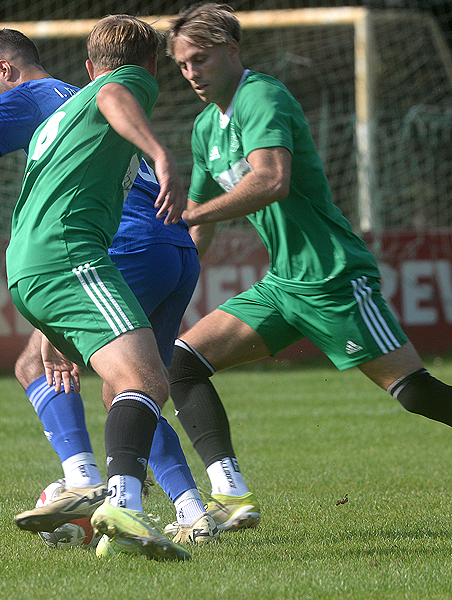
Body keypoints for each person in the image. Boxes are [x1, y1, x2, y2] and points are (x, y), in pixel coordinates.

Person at [0, 29, 216, 546]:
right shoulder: (83, 100)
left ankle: (87, 484)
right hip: (173, 246)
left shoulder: (39, 96)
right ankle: (191, 512)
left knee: (46, 367)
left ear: (6, 70)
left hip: (109, 247)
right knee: (129, 386)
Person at [165, 2, 452, 532]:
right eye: (182, 65)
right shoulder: (205, 128)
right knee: (181, 363)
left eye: (200, 59)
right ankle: (231, 495)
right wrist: (164, 287)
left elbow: (271, 179)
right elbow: (197, 228)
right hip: (283, 285)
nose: (191, 73)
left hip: (333, 276)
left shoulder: (261, 96)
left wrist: (193, 214)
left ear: (232, 49)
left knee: (414, 392)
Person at [6, 14, 202, 561]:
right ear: (155, 65)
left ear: (89, 66)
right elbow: (117, 93)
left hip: (67, 257)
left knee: (130, 381)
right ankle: (146, 503)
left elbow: (111, 93)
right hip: (135, 250)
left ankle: (102, 493)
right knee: (141, 382)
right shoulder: (115, 92)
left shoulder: (66, 109)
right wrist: (161, 155)